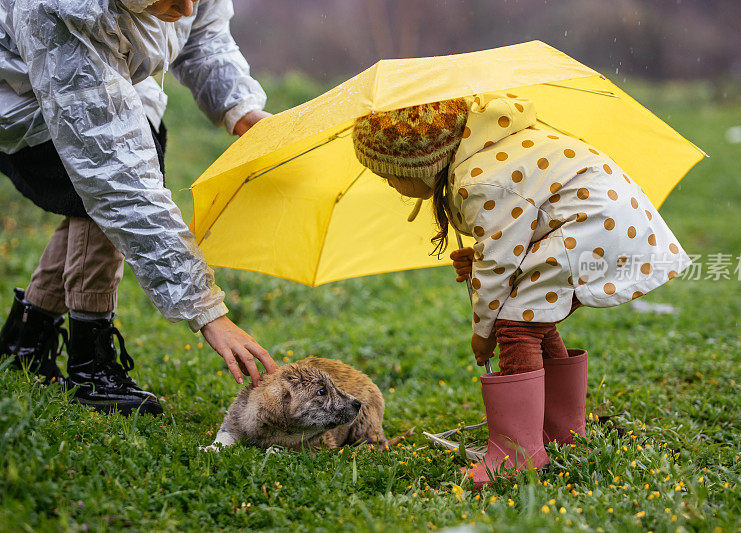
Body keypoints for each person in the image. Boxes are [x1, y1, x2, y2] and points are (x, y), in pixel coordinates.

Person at [351, 94, 690, 486]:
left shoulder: (477, 180)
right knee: (533, 317)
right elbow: (517, 232)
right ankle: (561, 434)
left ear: (420, 164)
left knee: (516, 325)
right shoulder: (486, 153)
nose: (389, 184)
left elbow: (499, 266)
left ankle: (517, 453)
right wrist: (481, 257)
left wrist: (484, 333)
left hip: (592, 227)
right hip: (604, 222)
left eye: (388, 174)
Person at [0, 0, 278, 416]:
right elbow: (118, 180)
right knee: (104, 183)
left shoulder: (181, 5)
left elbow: (202, 35)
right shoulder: (66, 10)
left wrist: (240, 108)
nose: (186, 8)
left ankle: (25, 340)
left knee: (120, 167)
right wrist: (206, 311)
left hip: (117, 74)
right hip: (24, 94)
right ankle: (91, 367)